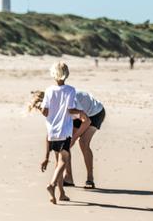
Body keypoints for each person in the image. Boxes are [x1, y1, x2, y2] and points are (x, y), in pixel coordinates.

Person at [37, 62, 80, 205]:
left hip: (52, 131)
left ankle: (61, 194)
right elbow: (71, 109)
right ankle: (52, 184)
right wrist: (81, 113)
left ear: (53, 74)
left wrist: (39, 107)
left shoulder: (49, 90)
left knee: (58, 163)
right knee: (64, 161)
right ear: (67, 74)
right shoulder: (71, 90)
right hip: (64, 130)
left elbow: (45, 112)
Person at [67, 89, 106, 189]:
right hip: (79, 114)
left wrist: (74, 139)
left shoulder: (70, 102)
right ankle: (68, 178)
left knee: (83, 142)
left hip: (95, 113)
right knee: (66, 144)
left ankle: (90, 178)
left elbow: (87, 121)